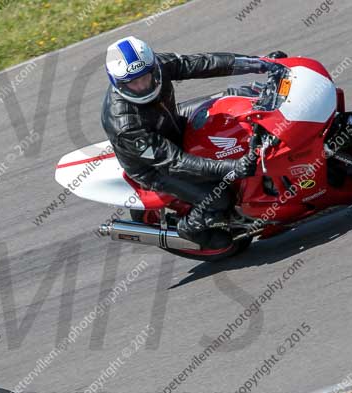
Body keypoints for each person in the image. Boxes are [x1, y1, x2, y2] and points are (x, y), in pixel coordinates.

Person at [102, 36, 281, 249]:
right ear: (119, 83)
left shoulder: (158, 66)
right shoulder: (125, 125)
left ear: (152, 68)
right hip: (154, 166)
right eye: (133, 82)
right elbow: (173, 162)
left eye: (146, 76)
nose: (142, 85)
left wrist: (258, 63)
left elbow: (201, 63)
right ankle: (190, 228)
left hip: (172, 122)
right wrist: (232, 168)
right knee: (220, 197)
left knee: (236, 100)